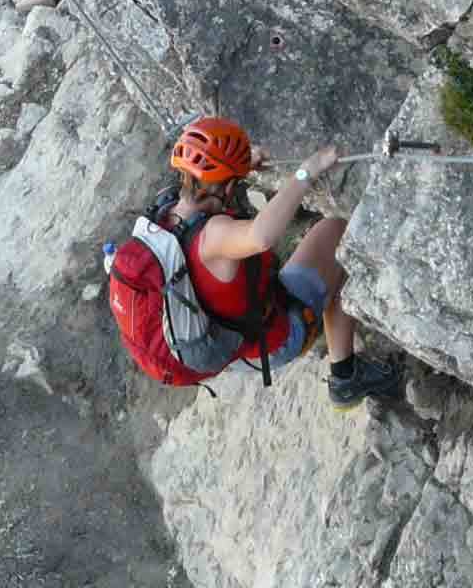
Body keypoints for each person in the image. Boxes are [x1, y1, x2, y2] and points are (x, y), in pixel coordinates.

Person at [162, 117, 405, 407]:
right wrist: (308, 170)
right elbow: (261, 236)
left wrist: (239, 168)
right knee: (338, 233)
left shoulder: (164, 217)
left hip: (225, 344)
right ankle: (345, 376)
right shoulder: (213, 236)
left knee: (319, 252)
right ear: (228, 186)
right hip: (277, 340)